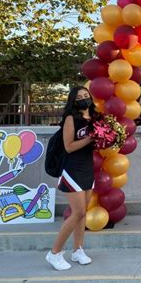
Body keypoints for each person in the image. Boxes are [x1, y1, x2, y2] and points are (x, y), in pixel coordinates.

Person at [46, 86, 94, 270]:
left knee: (83, 213)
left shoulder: (94, 119)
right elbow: (69, 146)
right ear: (73, 101)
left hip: (88, 168)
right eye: (79, 97)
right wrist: (90, 138)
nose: (84, 99)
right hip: (71, 169)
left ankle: (78, 250)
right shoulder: (70, 118)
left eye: (86, 95)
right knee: (78, 213)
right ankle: (54, 253)